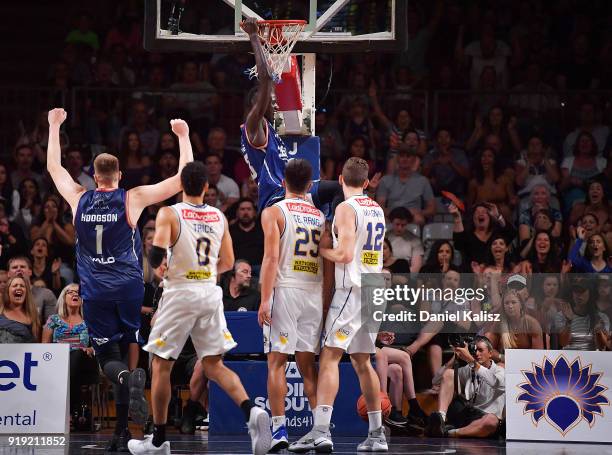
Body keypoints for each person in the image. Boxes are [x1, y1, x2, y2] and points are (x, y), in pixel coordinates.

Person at [46, 108, 193, 451]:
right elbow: (182, 179)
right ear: (118, 175)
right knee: (129, 349)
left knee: (106, 358)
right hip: (129, 286)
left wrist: (54, 127)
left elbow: (55, 167)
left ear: (94, 177)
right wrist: (183, 137)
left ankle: (126, 383)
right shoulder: (133, 197)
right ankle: (122, 428)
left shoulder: (77, 198)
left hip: (95, 290)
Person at [127, 161, 271, 455]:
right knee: (214, 365)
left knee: (160, 364)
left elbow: (155, 256)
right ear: (207, 187)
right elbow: (229, 263)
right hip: (209, 292)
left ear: (181, 185)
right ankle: (251, 412)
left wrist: (165, 268)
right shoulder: (218, 216)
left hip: (180, 292)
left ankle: (158, 439)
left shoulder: (170, 213)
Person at [290, 157, 388, 452]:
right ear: (367, 182)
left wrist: (324, 251)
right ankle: (377, 434)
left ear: (341, 180)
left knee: (330, 357)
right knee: (362, 361)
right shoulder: (378, 209)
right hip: (374, 288)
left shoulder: (346, 208)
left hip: (353, 288)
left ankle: (320, 431)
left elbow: (344, 255)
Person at [239, 18, 348, 216]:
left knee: (340, 188)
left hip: (290, 192)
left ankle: (333, 227)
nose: (273, 98)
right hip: (276, 198)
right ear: (255, 104)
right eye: (267, 97)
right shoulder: (252, 126)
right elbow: (265, 79)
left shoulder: (268, 130)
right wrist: (254, 37)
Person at [258, 159, 326, 451]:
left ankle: (279, 431)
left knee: (277, 362)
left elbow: (271, 258)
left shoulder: (274, 212)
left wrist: (264, 299)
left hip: (286, 291)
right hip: (314, 292)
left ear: (282, 182)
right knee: (308, 367)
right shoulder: (321, 216)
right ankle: (320, 430)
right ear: (310, 185)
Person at [42, 283, 99, 428]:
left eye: (78, 293)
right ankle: (73, 410)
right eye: (70, 292)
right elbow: (45, 347)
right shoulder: (53, 320)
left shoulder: (90, 320)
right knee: (68, 363)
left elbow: (98, 344)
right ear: (63, 297)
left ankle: (65, 412)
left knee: (78, 354)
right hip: (58, 362)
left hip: (84, 361)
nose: (75, 294)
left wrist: (91, 349)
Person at [426, 336, 505, 438]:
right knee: (449, 373)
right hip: (467, 413)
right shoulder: (469, 369)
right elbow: (436, 381)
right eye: (474, 350)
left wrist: (470, 360)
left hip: (484, 418)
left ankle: (449, 433)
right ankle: (441, 419)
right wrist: (454, 359)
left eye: (481, 350)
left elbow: (493, 381)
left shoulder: (500, 371)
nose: (476, 354)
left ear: (490, 353)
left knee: (491, 421)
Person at [7, 256, 57, 325]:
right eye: (14, 267)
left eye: (22, 267)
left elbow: (52, 326)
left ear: (30, 272)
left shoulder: (46, 294)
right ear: (8, 274)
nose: (19, 269)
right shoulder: (2, 297)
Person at [0, 276, 40, 343]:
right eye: (15, 285)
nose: (18, 287)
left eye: (22, 286)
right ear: (8, 292)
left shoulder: (33, 316)